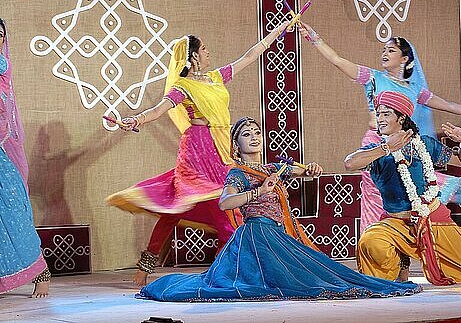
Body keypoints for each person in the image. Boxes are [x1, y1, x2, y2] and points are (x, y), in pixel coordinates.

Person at [137, 116, 422, 301]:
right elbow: (225, 202)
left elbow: (298, 169)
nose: (254, 137)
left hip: (277, 236)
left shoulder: (273, 167)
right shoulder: (238, 173)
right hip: (255, 236)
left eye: (257, 132)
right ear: (236, 146)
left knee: (317, 272)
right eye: (246, 134)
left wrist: (309, 169)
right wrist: (257, 192)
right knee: (281, 281)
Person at [106, 21, 291, 286]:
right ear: (192, 56)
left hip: (220, 146)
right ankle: (223, 270)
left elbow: (250, 56)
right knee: (189, 204)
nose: (208, 52)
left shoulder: (216, 78)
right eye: (203, 48)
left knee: (197, 207)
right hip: (197, 149)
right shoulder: (183, 86)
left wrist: (276, 32)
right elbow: (160, 109)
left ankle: (232, 267)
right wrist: (135, 120)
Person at [298, 22, 461, 234]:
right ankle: (372, 242)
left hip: (404, 143)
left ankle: (403, 242)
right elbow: (337, 60)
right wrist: (313, 37)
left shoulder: (414, 89)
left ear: (404, 59)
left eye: (391, 50)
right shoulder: (373, 77)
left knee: (404, 190)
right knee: (373, 193)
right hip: (376, 143)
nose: (385, 53)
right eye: (384, 50)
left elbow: (447, 105)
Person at [344, 90, 461, 285]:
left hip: (433, 220)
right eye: (378, 113)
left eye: (386, 114)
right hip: (396, 223)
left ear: (401, 118)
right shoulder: (376, 151)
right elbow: (350, 163)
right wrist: (386, 148)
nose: (380, 119)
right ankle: (399, 266)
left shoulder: (424, 144)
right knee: (371, 241)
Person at [0, 18, 51, 297]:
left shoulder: (1, 67)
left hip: (2, 153)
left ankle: (40, 271)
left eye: (0, 36)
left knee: (13, 215)